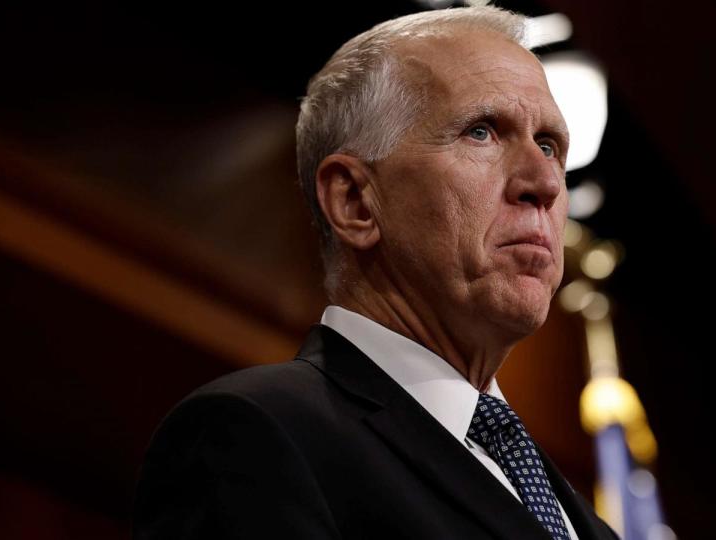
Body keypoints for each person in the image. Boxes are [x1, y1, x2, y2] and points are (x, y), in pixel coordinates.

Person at [133, 6, 618, 540]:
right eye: (481, 132)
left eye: (549, 146)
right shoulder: (258, 435)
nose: (544, 183)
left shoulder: (585, 522)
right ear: (356, 201)